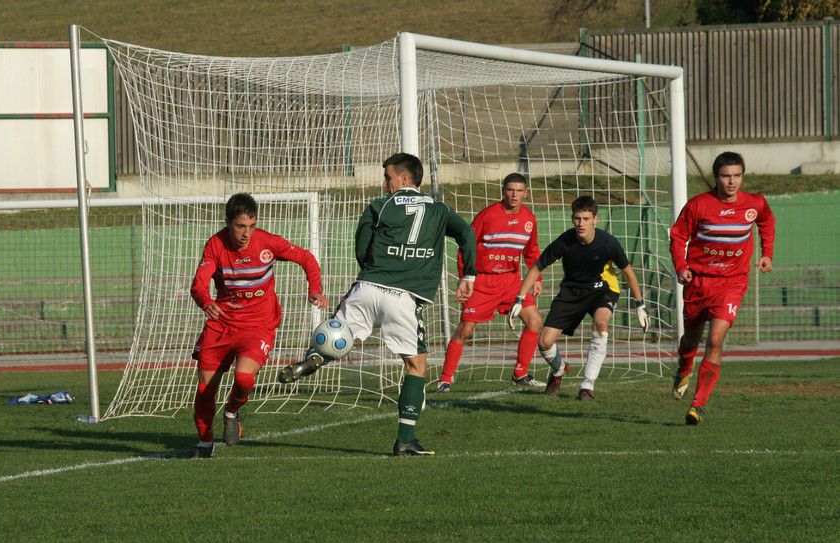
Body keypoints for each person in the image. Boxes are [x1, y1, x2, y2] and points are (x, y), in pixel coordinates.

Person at [278, 152, 477, 456]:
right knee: (416, 366)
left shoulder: (379, 206)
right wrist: (469, 275)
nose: (384, 183)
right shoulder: (440, 210)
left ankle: (311, 360)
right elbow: (466, 233)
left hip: (367, 288)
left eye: (387, 176)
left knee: (338, 336)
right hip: (403, 298)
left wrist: (374, 268)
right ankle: (406, 439)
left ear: (404, 178)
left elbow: (361, 246)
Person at [189, 193, 326, 458]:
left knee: (243, 378)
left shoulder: (267, 242)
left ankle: (231, 412)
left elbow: (307, 259)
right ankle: (205, 445)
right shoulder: (215, 245)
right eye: (241, 226)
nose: (246, 233)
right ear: (228, 222)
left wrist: (315, 290)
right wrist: (206, 301)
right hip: (222, 324)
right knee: (205, 388)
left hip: (258, 324)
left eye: (251, 225)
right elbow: (198, 283)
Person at [669, 151, 775, 425]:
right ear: (716, 177)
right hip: (699, 282)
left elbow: (766, 221)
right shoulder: (698, 205)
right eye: (726, 176)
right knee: (690, 341)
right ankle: (684, 366)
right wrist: (681, 266)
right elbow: (678, 236)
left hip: (732, 283)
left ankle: (698, 404)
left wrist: (767, 254)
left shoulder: (755, 203)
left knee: (716, 340)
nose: (732, 182)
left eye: (737, 176)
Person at [510, 196, 650, 399]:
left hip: (602, 289)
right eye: (577, 218)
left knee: (601, 324)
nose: (581, 224)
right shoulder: (565, 241)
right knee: (544, 342)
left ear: (595, 219)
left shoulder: (608, 242)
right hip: (571, 291)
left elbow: (627, 271)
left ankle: (587, 384)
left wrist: (640, 304)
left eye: (586, 218)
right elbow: (537, 267)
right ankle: (560, 369)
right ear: (572, 219)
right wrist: (520, 298)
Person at [437, 172, 544, 392]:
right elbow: (467, 245)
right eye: (510, 189)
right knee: (465, 330)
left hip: (511, 281)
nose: (514, 195)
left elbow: (532, 252)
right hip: (483, 282)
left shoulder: (529, 219)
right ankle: (445, 379)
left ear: (526, 193)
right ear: (503, 190)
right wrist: (465, 278)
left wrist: (537, 278)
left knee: (534, 322)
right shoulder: (488, 215)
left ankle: (520, 373)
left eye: (519, 191)